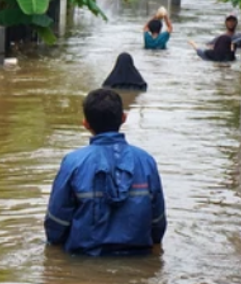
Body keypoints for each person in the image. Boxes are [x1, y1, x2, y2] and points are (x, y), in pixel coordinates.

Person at [44, 89, 167, 256]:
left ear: (86, 123)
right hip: (137, 258)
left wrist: (55, 249)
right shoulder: (146, 161)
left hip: (84, 260)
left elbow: (57, 220)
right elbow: (157, 221)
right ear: (123, 118)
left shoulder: (73, 162)